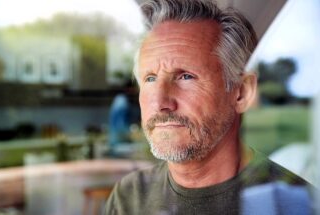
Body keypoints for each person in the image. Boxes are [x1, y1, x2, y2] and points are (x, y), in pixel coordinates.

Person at [105, 0, 311, 214]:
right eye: (149, 79)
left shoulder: (294, 205)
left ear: (241, 93)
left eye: (186, 77)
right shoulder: (129, 197)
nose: (160, 103)